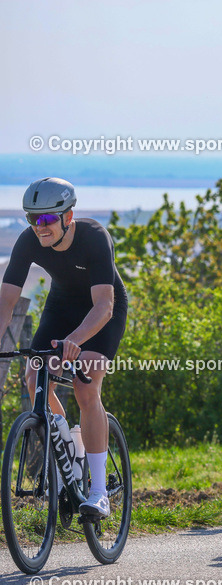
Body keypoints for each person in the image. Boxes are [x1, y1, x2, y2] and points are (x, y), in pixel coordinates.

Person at [0, 178, 129, 518]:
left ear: (68, 216)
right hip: (60, 307)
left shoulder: (95, 237)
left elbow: (104, 306)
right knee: (35, 379)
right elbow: (6, 302)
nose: (38, 227)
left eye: (46, 220)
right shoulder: (29, 241)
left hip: (100, 311)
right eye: (32, 219)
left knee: (87, 388)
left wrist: (77, 339)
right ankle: (68, 448)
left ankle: (99, 492)